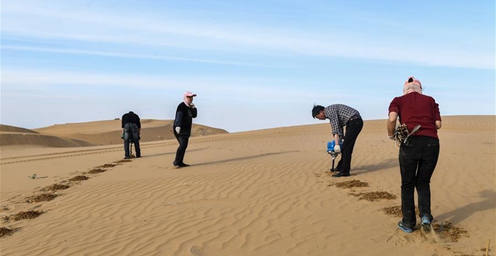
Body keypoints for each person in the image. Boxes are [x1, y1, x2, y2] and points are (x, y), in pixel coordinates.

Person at [387, 76, 442, 233]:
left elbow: (392, 119)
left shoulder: (398, 100)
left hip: (410, 144)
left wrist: (391, 135)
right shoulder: (431, 100)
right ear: (420, 89)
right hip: (432, 143)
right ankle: (425, 216)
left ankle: (409, 223)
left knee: (407, 184)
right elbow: (438, 124)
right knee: (423, 182)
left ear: (405, 90)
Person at [312, 104, 363, 177]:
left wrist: (336, 144)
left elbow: (335, 128)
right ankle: (340, 166)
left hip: (354, 122)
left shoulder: (329, 111)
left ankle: (345, 171)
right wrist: (340, 141)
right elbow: (339, 128)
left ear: (321, 112)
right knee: (345, 147)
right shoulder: (331, 110)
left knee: (347, 148)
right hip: (353, 122)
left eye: (318, 117)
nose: (319, 119)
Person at [173, 91, 198, 168]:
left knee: (184, 146)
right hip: (179, 129)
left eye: (192, 97)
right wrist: (178, 126)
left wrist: (194, 108)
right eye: (189, 97)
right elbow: (179, 116)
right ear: (185, 97)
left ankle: (180, 162)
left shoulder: (190, 107)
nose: (191, 99)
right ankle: (176, 162)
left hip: (186, 130)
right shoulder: (182, 106)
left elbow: (194, 115)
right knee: (182, 144)